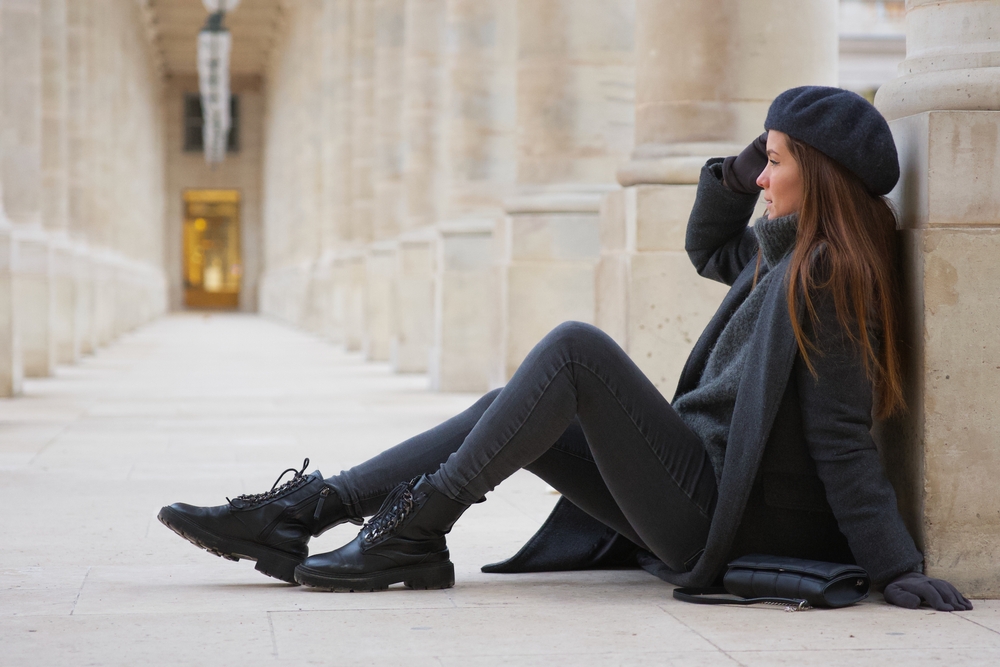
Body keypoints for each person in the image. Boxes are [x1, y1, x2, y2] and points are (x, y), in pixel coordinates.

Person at [159, 86, 972, 611]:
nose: (763, 175)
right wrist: (735, 167)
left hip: (719, 511)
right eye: (763, 158)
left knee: (575, 351)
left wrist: (895, 564)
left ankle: (412, 527)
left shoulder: (826, 273)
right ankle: (306, 511)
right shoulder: (779, 250)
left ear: (819, 175)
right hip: (695, 478)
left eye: (778, 160)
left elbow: (840, 438)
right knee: (502, 409)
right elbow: (705, 248)